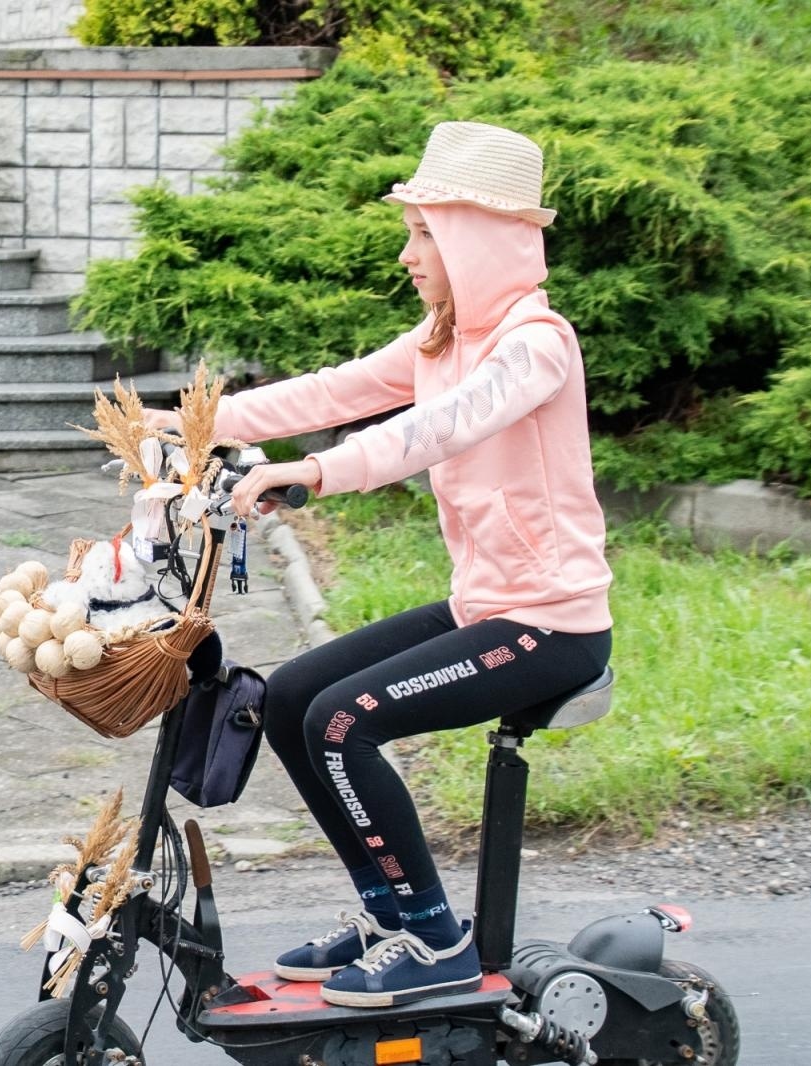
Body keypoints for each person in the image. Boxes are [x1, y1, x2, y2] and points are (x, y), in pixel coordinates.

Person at [145, 122, 613, 1009]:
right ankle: (389, 913)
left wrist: (319, 471)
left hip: (550, 626)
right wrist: (196, 423)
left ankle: (436, 940)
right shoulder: (443, 338)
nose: (408, 255)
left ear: (479, 240)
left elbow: (440, 427)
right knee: (291, 699)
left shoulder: (535, 344)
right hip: (485, 608)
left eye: (425, 234)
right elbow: (335, 389)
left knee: (342, 722)